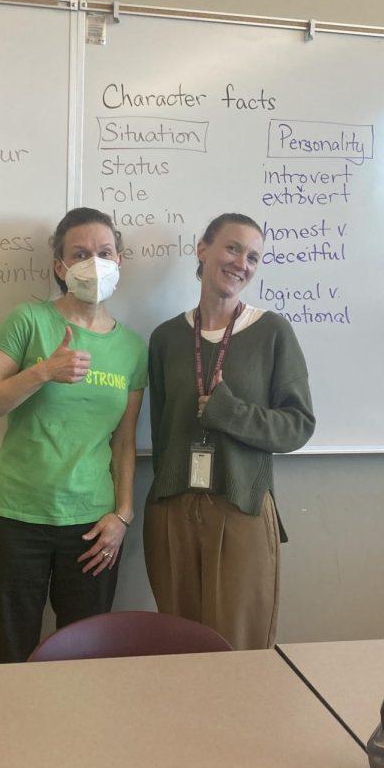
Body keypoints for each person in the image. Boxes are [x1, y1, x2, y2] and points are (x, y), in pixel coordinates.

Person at [0, 208, 147, 663]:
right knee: (12, 658)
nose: (94, 263)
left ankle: (76, 737)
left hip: (91, 529)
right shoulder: (29, 320)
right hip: (14, 521)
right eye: (80, 254)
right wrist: (42, 372)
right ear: (60, 267)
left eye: (104, 252)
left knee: (83, 659)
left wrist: (122, 516)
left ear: (119, 261)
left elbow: (125, 442)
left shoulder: (133, 348)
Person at [143, 213, 315, 649]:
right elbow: (162, 429)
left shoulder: (272, 332)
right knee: (178, 648)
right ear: (203, 250)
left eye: (253, 256)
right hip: (173, 513)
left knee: (238, 651)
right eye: (233, 248)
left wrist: (232, 414)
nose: (242, 262)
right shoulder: (165, 338)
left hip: (241, 508)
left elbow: (298, 425)